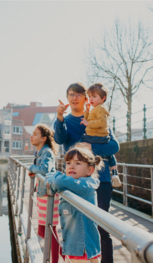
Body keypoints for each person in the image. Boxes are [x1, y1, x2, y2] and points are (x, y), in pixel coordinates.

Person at [54, 83, 119, 263]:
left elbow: (114, 146)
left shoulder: (98, 115)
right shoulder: (65, 121)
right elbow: (59, 139)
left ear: (85, 98)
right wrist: (59, 117)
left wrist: (92, 147)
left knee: (102, 227)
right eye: (70, 95)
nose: (74, 98)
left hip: (101, 179)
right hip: (74, 182)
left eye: (78, 94)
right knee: (75, 227)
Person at [46, 146, 103, 263]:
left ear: (90, 170)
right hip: (74, 248)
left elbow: (57, 182)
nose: (71, 166)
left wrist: (52, 177)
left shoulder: (84, 185)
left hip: (83, 250)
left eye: (78, 163)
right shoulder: (75, 183)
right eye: (68, 163)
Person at [28, 123, 63, 263]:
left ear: (43, 138)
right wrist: (34, 172)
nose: (31, 136)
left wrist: (32, 168)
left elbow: (45, 170)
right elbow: (40, 170)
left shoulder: (47, 151)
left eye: (35, 134)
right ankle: (62, 254)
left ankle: (58, 259)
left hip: (49, 194)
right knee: (43, 231)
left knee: (50, 230)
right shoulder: (39, 152)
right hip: (43, 193)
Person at [80, 83, 121, 188]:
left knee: (81, 144)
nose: (91, 99)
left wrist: (88, 124)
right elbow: (89, 119)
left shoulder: (101, 108)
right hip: (100, 137)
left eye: (94, 96)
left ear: (103, 98)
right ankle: (115, 173)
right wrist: (87, 112)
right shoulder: (96, 109)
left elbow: (101, 122)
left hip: (96, 136)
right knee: (109, 154)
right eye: (89, 97)